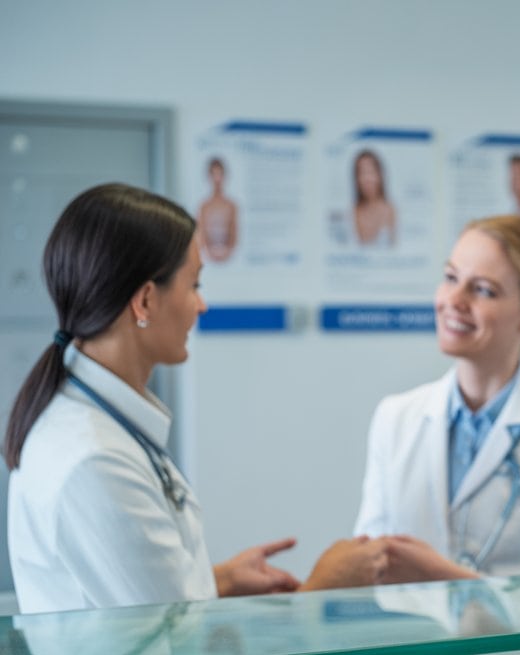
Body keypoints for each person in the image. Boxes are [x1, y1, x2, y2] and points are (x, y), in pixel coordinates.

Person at [4, 183, 402, 614]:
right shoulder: (94, 459)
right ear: (145, 300)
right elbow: (174, 648)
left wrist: (220, 581)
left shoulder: (97, 425)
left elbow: (138, 601)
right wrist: (324, 590)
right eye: (194, 285)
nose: (202, 305)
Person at [354, 215, 520, 581]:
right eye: (450, 278)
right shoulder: (395, 417)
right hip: (408, 637)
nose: (454, 300)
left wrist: (459, 584)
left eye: (482, 290)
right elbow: (369, 566)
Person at [352, 149, 397, 247]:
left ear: (379, 175)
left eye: (371, 172)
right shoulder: (350, 213)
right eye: (362, 173)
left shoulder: (391, 211)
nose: (367, 178)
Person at [197, 157, 238, 263]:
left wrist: (226, 253)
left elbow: (234, 237)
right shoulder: (204, 206)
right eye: (214, 174)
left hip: (229, 262)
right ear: (209, 177)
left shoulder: (231, 206)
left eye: (220, 174)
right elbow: (201, 237)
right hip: (208, 262)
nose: (217, 179)